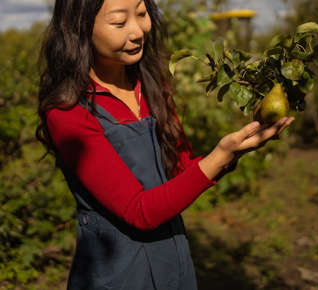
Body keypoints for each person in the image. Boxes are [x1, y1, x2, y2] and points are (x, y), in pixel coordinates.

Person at [35, 0, 295, 289]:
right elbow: (139, 210)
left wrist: (234, 153)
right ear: (79, 29)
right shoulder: (69, 112)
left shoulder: (151, 87)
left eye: (142, 13)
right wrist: (221, 154)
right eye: (120, 22)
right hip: (117, 274)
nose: (137, 31)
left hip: (172, 261)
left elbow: (183, 172)